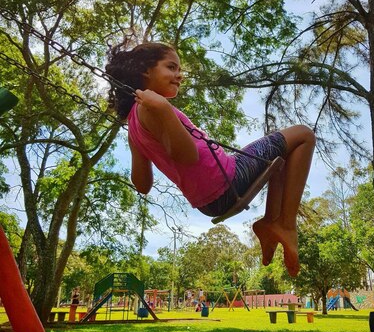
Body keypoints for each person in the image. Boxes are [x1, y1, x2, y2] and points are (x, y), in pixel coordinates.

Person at [105, 41, 315, 277]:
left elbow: (142, 185)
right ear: (146, 70)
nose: (179, 75)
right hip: (227, 181)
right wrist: (164, 109)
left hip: (209, 201)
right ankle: (286, 225)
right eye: (171, 67)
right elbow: (188, 156)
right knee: (304, 135)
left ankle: (270, 222)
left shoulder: (134, 124)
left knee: (282, 158)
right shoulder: (153, 108)